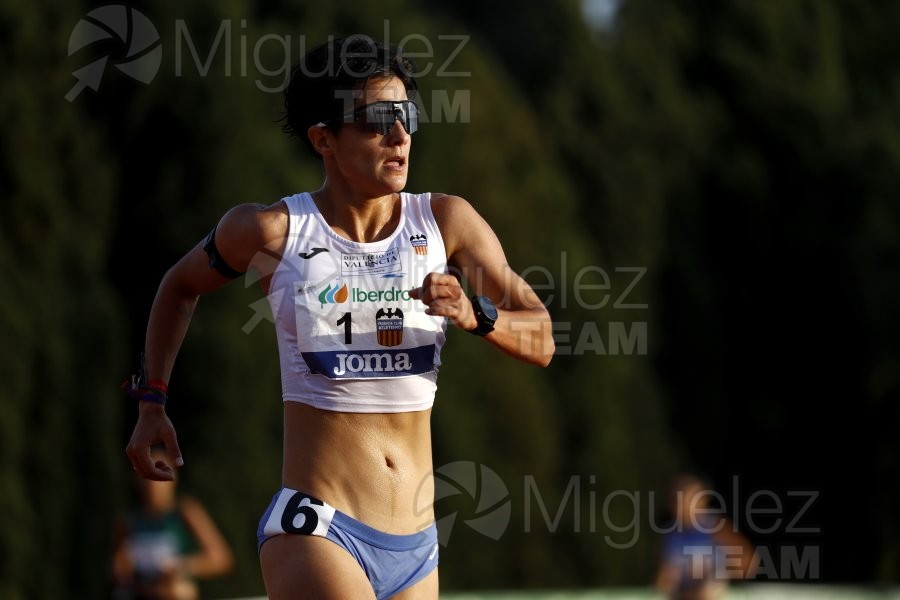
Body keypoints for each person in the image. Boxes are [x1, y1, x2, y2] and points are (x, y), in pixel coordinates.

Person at [124, 35, 554, 600]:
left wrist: (479, 316)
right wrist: (153, 401)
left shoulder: (447, 222)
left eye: (407, 116)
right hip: (318, 528)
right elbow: (178, 286)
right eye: (378, 119)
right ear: (323, 138)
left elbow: (541, 335)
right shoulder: (272, 232)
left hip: (416, 546)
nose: (399, 135)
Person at [111, 447, 233, 600]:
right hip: (140, 591)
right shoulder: (129, 519)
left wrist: (180, 567)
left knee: (182, 590)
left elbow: (220, 558)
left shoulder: (185, 512)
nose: (153, 482)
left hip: (172, 591)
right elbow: (117, 563)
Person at [654, 474, 758, 600]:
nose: (691, 507)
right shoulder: (672, 536)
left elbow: (750, 563)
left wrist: (714, 568)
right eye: (685, 501)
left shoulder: (716, 526)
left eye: (696, 500)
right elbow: (665, 578)